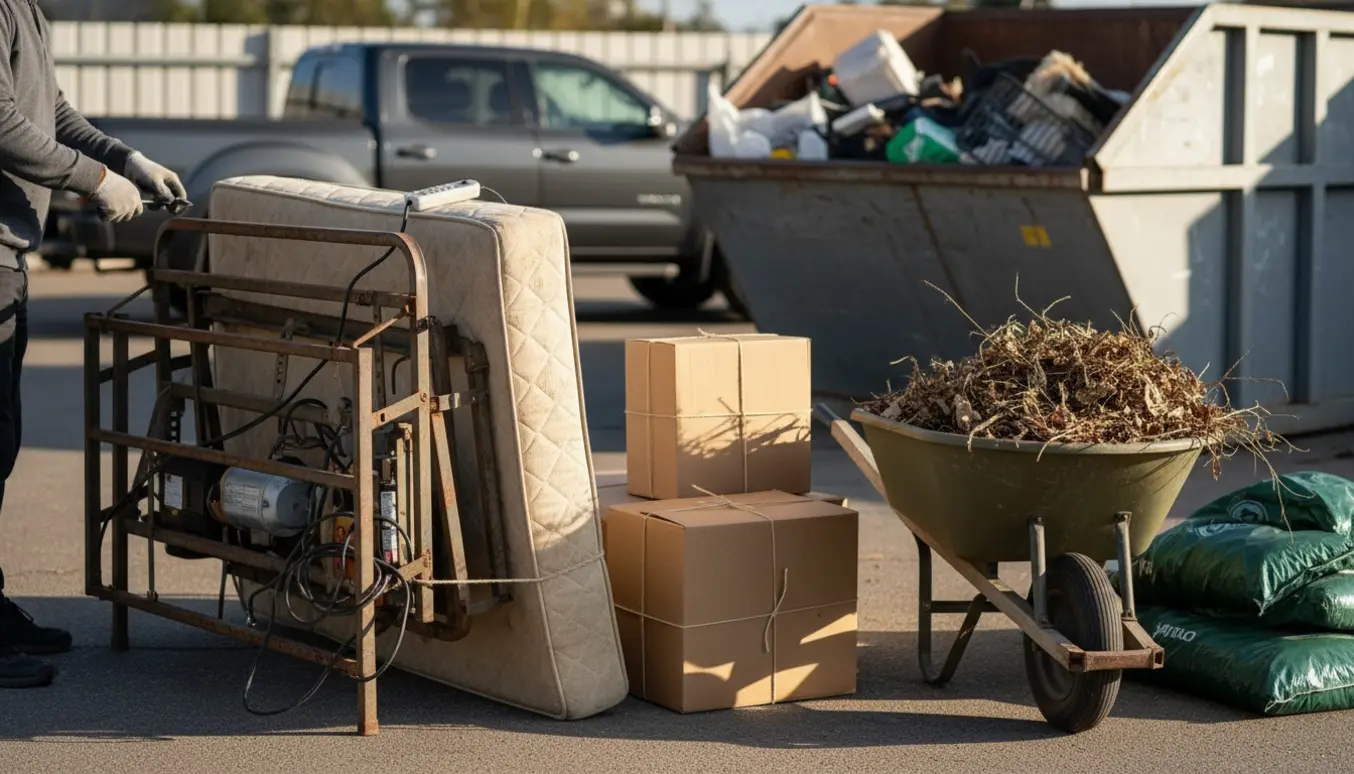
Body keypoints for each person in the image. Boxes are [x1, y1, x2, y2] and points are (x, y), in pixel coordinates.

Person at [0, 0, 185, 689]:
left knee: (2, 441)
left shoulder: (27, 11)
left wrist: (126, 160)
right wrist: (93, 180)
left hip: (9, 253)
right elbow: (3, 124)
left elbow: (53, 116)